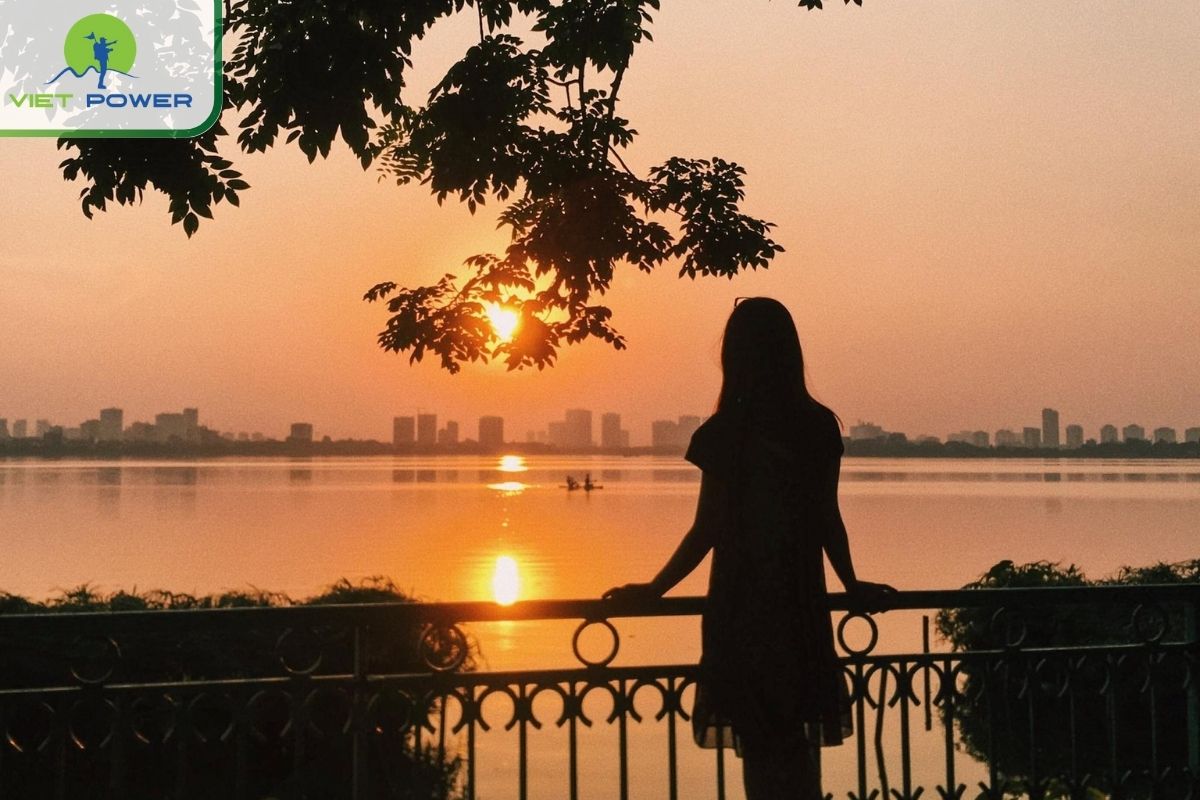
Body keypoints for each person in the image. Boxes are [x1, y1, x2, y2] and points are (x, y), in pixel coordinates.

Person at [603, 297, 895, 800]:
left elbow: (706, 530)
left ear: (735, 356)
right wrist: (851, 584)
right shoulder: (816, 425)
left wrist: (653, 590)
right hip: (800, 606)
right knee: (796, 749)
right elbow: (827, 519)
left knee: (759, 750)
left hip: (740, 607)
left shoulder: (725, 432)